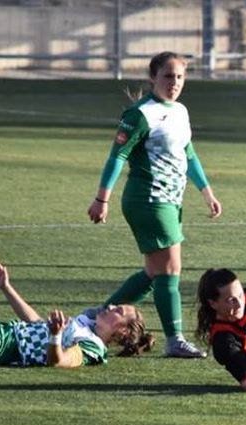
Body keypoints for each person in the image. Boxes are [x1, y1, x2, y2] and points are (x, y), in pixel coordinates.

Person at [87, 51, 222, 359]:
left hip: (170, 202)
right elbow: (116, 157)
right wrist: (101, 199)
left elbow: (189, 155)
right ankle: (175, 340)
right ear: (152, 77)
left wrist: (207, 192)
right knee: (170, 268)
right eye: (167, 76)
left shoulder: (180, 111)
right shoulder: (140, 114)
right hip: (148, 199)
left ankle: (99, 314)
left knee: (153, 272)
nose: (174, 83)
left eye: (179, 77)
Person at [0, 262, 153, 368]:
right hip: (6, 332)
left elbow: (58, 361)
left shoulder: (93, 348)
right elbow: (37, 323)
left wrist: (56, 335)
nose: (111, 306)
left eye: (118, 311)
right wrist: (6, 287)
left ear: (123, 331)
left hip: (8, 347)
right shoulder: (86, 324)